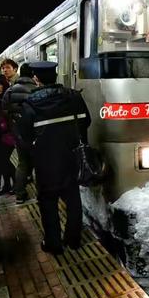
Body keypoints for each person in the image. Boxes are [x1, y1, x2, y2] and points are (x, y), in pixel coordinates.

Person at [18, 61, 91, 254]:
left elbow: (25, 137)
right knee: (73, 198)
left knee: (48, 202)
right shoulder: (74, 97)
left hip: (45, 161)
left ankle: (54, 244)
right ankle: (74, 239)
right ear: (56, 75)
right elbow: (86, 122)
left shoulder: (29, 104)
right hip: (71, 157)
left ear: (36, 79)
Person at [2, 63, 36, 204]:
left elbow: (5, 111)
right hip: (35, 133)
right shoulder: (37, 89)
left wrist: (14, 126)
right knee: (38, 163)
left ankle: (20, 195)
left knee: (22, 163)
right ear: (33, 75)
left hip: (19, 133)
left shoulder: (10, 91)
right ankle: (42, 195)